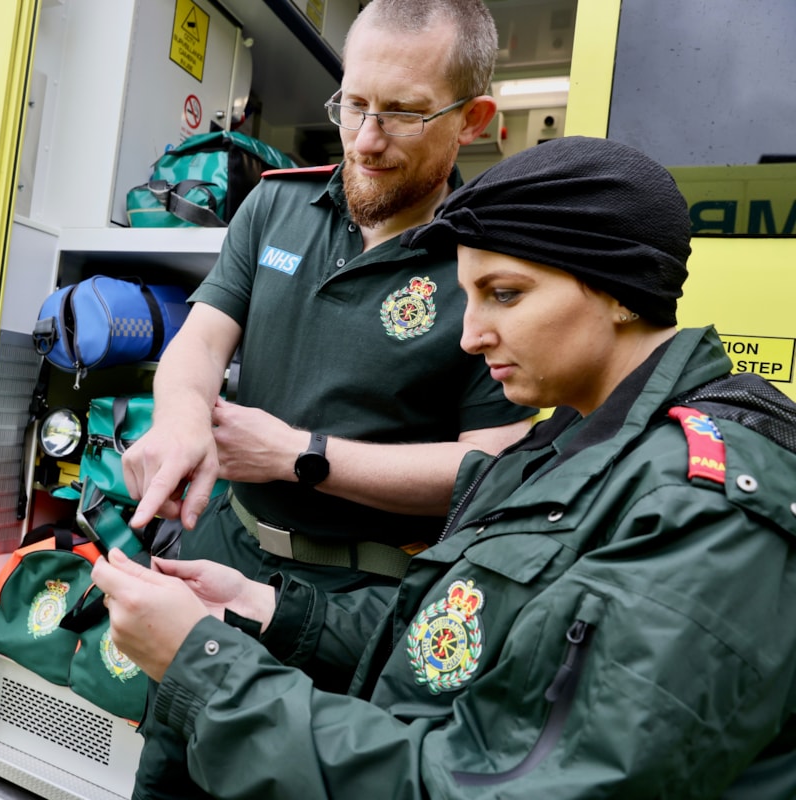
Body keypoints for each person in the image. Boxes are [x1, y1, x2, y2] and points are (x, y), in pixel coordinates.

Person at [93, 135, 796, 799]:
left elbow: (480, 782)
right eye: (469, 296)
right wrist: (266, 610)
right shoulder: (581, 436)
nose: (469, 335)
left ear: (619, 289)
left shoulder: (705, 514)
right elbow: (472, 637)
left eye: (505, 293)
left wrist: (201, 664)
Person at [125, 0, 532, 590]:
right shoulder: (274, 204)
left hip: (359, 594)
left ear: (472, 119)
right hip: (217, 545)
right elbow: (204, 340)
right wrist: (180, 417)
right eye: (354, 105)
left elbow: (490, 467)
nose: (365, 142)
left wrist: (300, 456)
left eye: (403, 113)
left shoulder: (494, 267)